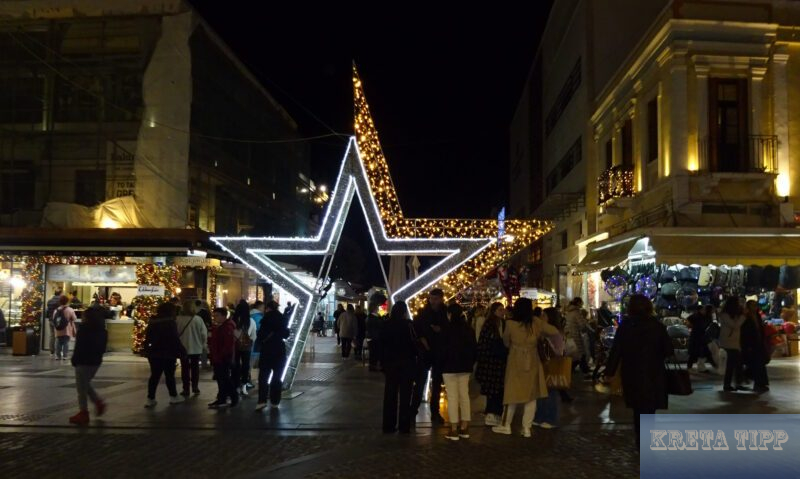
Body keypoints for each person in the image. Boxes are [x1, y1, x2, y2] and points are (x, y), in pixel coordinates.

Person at [604, 295, 674, 449]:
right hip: (653, 373)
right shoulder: (657, 325)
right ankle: (647, 440)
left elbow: (616, 350)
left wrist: (609, 371)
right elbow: (669, 350)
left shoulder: (626, 326)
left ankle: (640, 440)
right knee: (649, 408)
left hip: (632, 372)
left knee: (638, 408)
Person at [492, 297, 559, 438]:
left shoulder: (510, 324)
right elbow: (553, 331)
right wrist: (540, 332)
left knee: (512, 394)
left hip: (515, 360)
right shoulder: (535, 322)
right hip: (532, 361)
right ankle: (526, 428)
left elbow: (505, 341)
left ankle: (506, 425)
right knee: (531, 396)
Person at [411, 288, 449, 425]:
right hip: (425, 352)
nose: (433, 301)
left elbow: (449, 330)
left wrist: (441, 330)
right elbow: (416, 329)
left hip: (439, 352)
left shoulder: (445, 313)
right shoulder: (423, 312)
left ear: (441, 299)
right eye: (432, 298)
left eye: (436, 299)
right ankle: (412, 411)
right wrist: (422, 340)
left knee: (437, 384)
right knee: (420, 383)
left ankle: (435, 412)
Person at [441, 303, 477, 441]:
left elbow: (441, 350)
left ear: (449, 314)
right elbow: (474, 349)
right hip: (465, 367)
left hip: (449, 367)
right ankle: (465, 426)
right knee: (464, 395)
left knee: (452, 397)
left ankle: (454, 428)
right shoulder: (468, 329)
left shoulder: (446, 330)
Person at [380, 301, 417, 433]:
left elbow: (381, 345)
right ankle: (404, 425)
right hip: (407, 363)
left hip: (391, 364)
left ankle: (388, 425)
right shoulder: (409, 325)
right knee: (405, 395)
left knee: (390, 394)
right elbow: (414, 345)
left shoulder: (386, 325)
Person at [68, 304, 108, 425]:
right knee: (85, 384)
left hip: (83, 361)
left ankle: (83, 413)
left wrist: (75, 359)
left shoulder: (84, 329)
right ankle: (98, 402)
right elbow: (102, 347)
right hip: (95, 361)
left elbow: (79, 347)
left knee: (81, 388)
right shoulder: (102, 330)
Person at [142, 302, 185, 408]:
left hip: (154, 353)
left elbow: (147, 337)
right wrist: (182, 351)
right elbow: (174, 338)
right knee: (169, 375)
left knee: (154, 376)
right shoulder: (170, 322)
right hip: (168, 352)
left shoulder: (153, 321)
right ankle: (173, 396)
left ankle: (150, 398)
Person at [474, 302, 507, 426]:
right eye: (499, 309)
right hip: (490, 362)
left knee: (498, 389)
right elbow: (484, 341)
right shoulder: (489, 324)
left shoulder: (504, 323)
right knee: (492, 389)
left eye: (502, 309)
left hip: (499, 361)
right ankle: (492, 413)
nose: (502, 311)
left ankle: (495, 413)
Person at [533, 307, 566, 429]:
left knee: (550, 391)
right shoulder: (547, 330)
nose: (542, 318)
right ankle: (540, 416)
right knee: (542, 390)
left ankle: (551, 418)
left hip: (553, 363)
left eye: (544, 315)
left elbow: (558, 351)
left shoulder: (553, 331)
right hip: (545, 363)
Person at [255, 301, 290, 410]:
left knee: (263, 377)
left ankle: (262, 401)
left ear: (268, 308)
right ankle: (275, 400)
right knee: (277, 376)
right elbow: (286, 334)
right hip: (279, 350)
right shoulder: (282, 318)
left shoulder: (265, 319)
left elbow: (260, 335)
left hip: (267, 351)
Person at [209, 307, 238, 408]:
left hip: (222, 358)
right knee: (222, 378)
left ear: (223, 316)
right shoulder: (222, 326)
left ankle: (230, 397)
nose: (214, 317)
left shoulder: (226, 327)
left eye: (217, 315)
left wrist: (219, 355)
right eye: (214, 315)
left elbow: (227, 345)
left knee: (224, 378)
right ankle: (223, 398)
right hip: (220, 357)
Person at [176, 302, 208, 396]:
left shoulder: (178, 319)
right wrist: (203, 344)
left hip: (183, 347)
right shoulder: (198, 319)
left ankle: (186, 388)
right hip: (196, 347)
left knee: (185, 369)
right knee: (195, 368)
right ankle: (195, 387)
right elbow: (203, 334)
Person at [719, 297, 747, 392]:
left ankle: (737, 383)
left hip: (735, 343)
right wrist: (742, 317)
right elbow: (735, 326)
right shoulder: (725, 315)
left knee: (737, 364)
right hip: (728, 343)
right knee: (731, 364)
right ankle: (728, 384)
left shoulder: (735, 315)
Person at [741, 300, 769, 393]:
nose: (754, 307)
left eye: (755, 305)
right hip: (752, 344)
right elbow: (745, 332)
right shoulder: (746, 317)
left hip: (759, 343)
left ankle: (761, 383)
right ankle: (758, 383)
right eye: (752, 305)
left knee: (760, 364)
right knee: (757, 364)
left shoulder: (757, 316)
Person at [232, 300, 256, 396]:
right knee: (245, 365)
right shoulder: (251, 321)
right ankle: (244, 385)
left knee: (235, 365)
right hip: (246, 347)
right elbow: (254, 336)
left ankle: (235, 384)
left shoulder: (233, 321)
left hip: (234, 346)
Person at [686, 305, 717, 372]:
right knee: (696, 353)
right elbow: (688, 320)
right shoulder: (699, 316)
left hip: (701, 337)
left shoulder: (706, 316)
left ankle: (714, 366)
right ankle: (715, 366)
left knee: (703, 353)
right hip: (697, 336)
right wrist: (691, 326)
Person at [565, 297, 590, 375]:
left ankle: (574, 368)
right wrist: (586, 323)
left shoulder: (568, 312)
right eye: (581, 302)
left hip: (569, 335)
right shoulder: (576, 312)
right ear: (578, 303)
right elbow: (582, 325)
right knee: (580, 352)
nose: (582, 304)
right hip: (576, 334)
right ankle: (582, 368)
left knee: (574, 353)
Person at [366, 293, 386, 371]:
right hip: (374, 337)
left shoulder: (372, 317)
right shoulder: (373, 317)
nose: (378, 308)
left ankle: (373, 366)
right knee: (374, 352)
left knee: (374, 353)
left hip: (372, 337)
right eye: (377, 307)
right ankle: (373, 366)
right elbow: (379, 326)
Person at [53, 295, 77, 360]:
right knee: (65, 342)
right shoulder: (70, 310)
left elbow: (54, 318)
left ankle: (57, 356)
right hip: (67, 328)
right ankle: (65, 356)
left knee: (58, 342)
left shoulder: (56, 310)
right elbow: (74, 318)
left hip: (58, 328)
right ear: (67, 301)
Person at [195, 300, 212, 367]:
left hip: (196, 331)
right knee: (204, 346)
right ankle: (204, 362)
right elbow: (209, 322)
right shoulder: (206, 312)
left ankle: (197, 361)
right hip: (204, 330)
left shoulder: (195, 312)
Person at [46, 289, 63, 356]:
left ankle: (51, 351)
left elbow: (47, 311)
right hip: (58, 320)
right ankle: (58, 351)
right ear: (60, 293)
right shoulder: (60, 301)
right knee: (59, 336)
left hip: (51, 320)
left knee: (52, 335)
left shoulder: (49, 301)